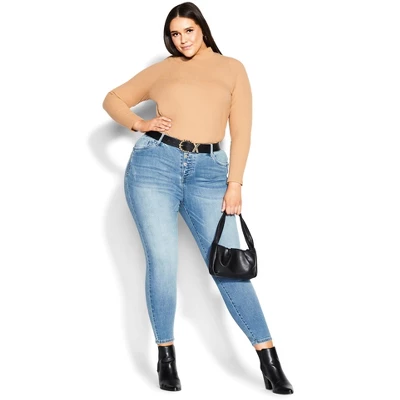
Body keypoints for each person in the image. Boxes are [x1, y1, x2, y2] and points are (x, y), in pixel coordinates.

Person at [102, 1, 293, 395]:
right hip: (154, 166)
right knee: (163, 262)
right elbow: (113, 99)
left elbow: (242, 132)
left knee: (228, 266)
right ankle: (166, 357)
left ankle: (270, 361)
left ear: (202, 29)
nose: (182, 39)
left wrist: (235, 183)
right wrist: (140, 123)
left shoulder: (232, 68)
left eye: (188, 30)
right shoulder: (164, 70)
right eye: (175, 34)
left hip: (209, 173)